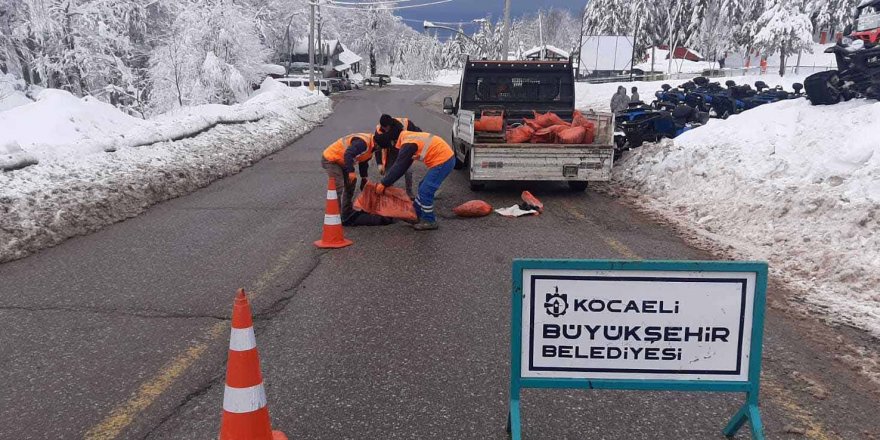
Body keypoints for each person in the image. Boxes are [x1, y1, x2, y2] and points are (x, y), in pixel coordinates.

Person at [377, 131, 454, 231]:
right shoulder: (407, 136)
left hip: (443, 161)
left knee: (425, 191)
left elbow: (400, 166)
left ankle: (429, 220)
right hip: (445, 157)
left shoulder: (407, 144)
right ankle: (416, 213)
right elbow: (404, 164)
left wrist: (384, 183)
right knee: (422, 186)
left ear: (393, 142)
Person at [321, 132, 376, 223]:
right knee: (338, 185)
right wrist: (351, 171)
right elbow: (348, 154)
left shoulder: (371, 148)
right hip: (331, 159)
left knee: (351, 182)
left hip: (342, 161)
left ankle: (346, 212)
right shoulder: (363, 143)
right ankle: (335, 215)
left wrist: (363, 177)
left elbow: (363, 162)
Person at [375, 114, 421, 198]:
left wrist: (417, 151)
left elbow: (419, 134)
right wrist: (379, 164)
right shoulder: (379, 133)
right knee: (389, 172)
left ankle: (409, 193)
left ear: (391, 125)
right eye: (384, 128)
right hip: (392, 151)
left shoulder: (406, 125)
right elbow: (378, 147)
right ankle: (388, 193)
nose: (386, 130)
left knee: (408, 171)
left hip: (405, 150)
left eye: (387, 128)